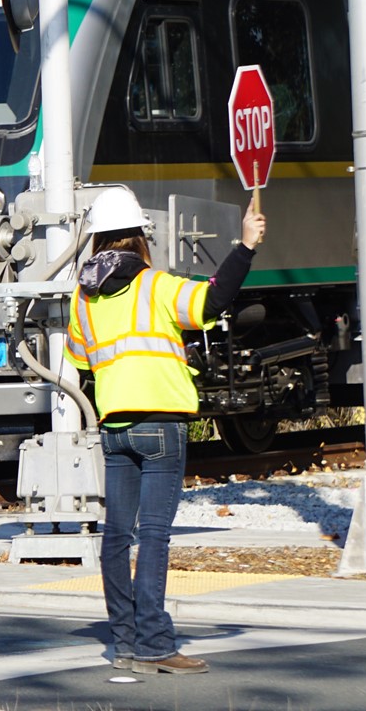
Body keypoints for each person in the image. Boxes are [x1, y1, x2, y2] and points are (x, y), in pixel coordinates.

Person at [66, 187, 265, 676]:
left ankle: (126, 642)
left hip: (115, 428)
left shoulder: (83, 298)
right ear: (139, 237)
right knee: (153, 535)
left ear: (95, 241)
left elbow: (78, 358)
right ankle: (156, 643)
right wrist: (246, 247)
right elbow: (213, 300)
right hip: (160, 425)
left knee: (116, 535)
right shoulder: (156, 284)